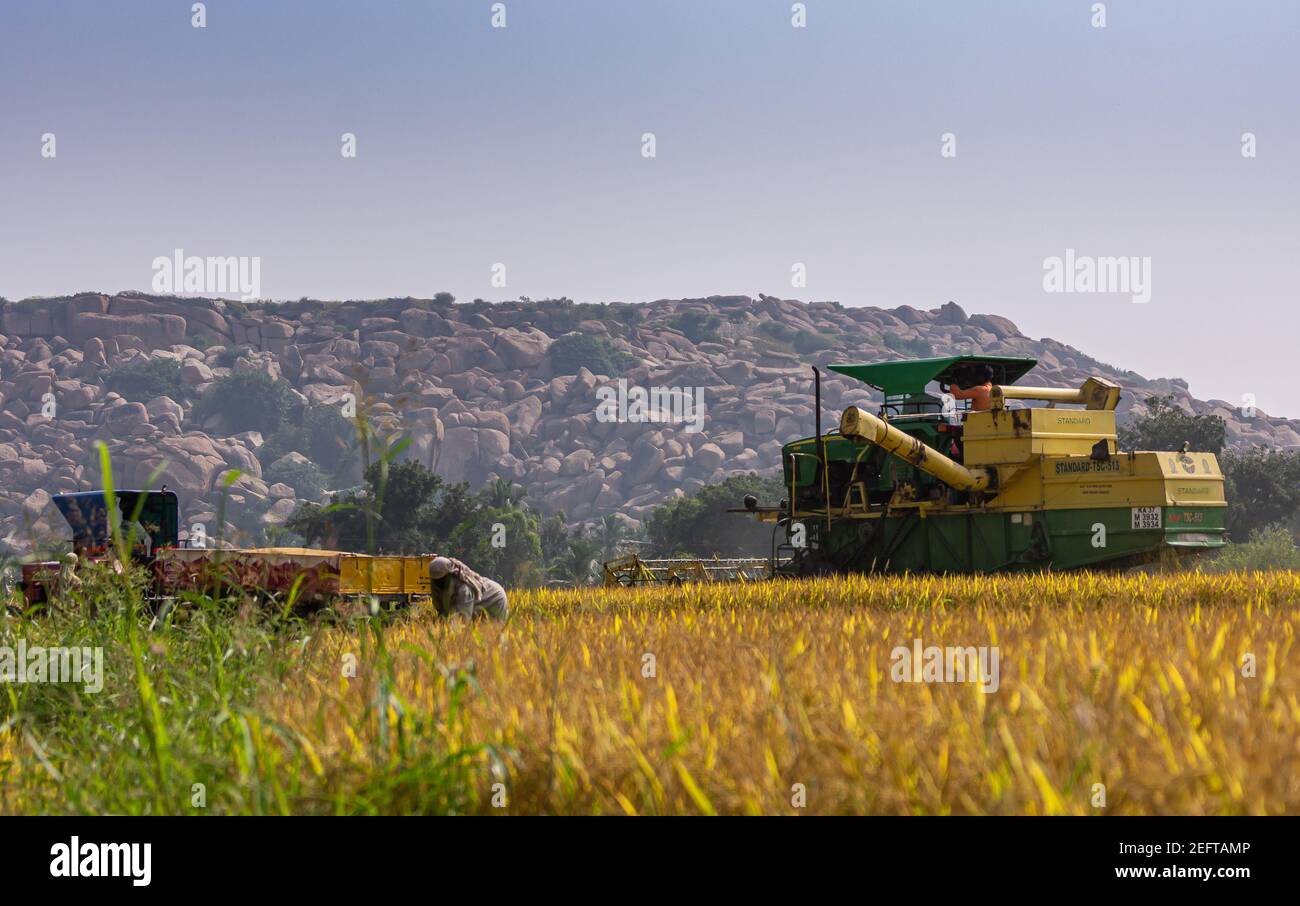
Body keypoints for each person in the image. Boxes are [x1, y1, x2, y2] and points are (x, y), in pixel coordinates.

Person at [428, 556, 509, 620]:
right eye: (436, 580)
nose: (439, 583)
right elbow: (442, 611)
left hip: (495, 598)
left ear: (450, 575)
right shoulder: (435, 584)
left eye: (442, 579)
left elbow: (462, 619)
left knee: (492, 631)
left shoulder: (464, 590)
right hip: (477, 605)